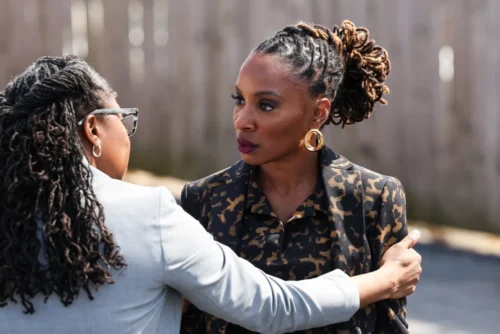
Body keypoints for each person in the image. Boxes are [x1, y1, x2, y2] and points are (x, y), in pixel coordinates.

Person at [0, 55, 421, 334]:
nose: (244, 120)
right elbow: (271, 307)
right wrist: (384, 280)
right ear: (93, 128)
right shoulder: (149, 214)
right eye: (123, 119)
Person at [180, 20, 416, 334]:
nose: (242, 120)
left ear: (318, 112)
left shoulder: (373, 197)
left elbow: (390, 326)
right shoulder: (203, 199)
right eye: (239, 100)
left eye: (265, 105)